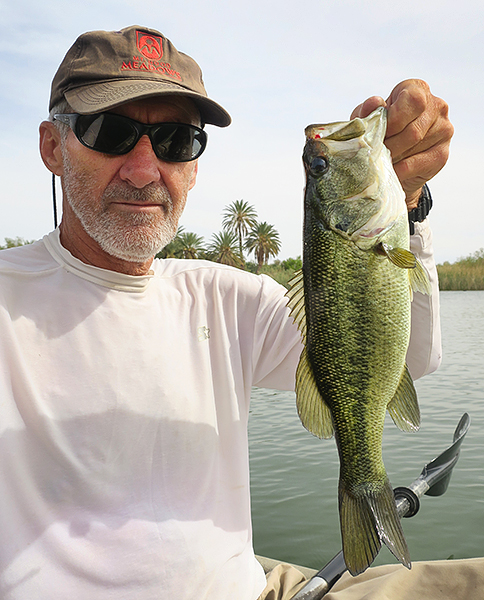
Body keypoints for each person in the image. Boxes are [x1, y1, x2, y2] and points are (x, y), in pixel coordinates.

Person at [2, 24, 479, 600]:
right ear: (53, 147)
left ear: (195, 167)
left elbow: (416, 354)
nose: (145, 168)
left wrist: (407, 203)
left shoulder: (228, 299)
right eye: (111, 132)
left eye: (177, 141)